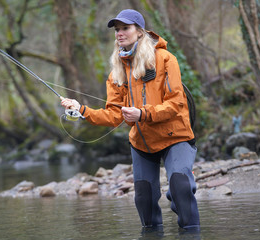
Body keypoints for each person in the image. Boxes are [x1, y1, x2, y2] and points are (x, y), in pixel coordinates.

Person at [61, 9, 200, 232]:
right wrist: (82, 109)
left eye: (125, 28)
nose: (119, 34)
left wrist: (142, 114)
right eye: (117, 30)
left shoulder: (165, 59)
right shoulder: (117, 71)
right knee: (144, 199)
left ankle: (192, 233)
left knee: (180, 186)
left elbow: (176, 104)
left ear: (139, 32)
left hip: (177, 137)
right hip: (142, 143)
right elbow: (114, 115)